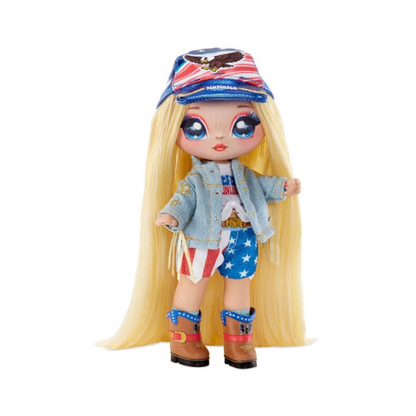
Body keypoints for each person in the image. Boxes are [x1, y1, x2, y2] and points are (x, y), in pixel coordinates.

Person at [97, 48, 306, 369]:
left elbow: (263, 186)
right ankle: (184, 339)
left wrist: (282, 187)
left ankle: (239, 341)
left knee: (240, 285)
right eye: (195, 127)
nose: (220, 136)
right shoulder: (196, 178)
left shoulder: (245, 174)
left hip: (243, 239)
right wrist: (172, 214)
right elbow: (184, 197)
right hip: (201, 239)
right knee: (193, 283)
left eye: (243, 124)